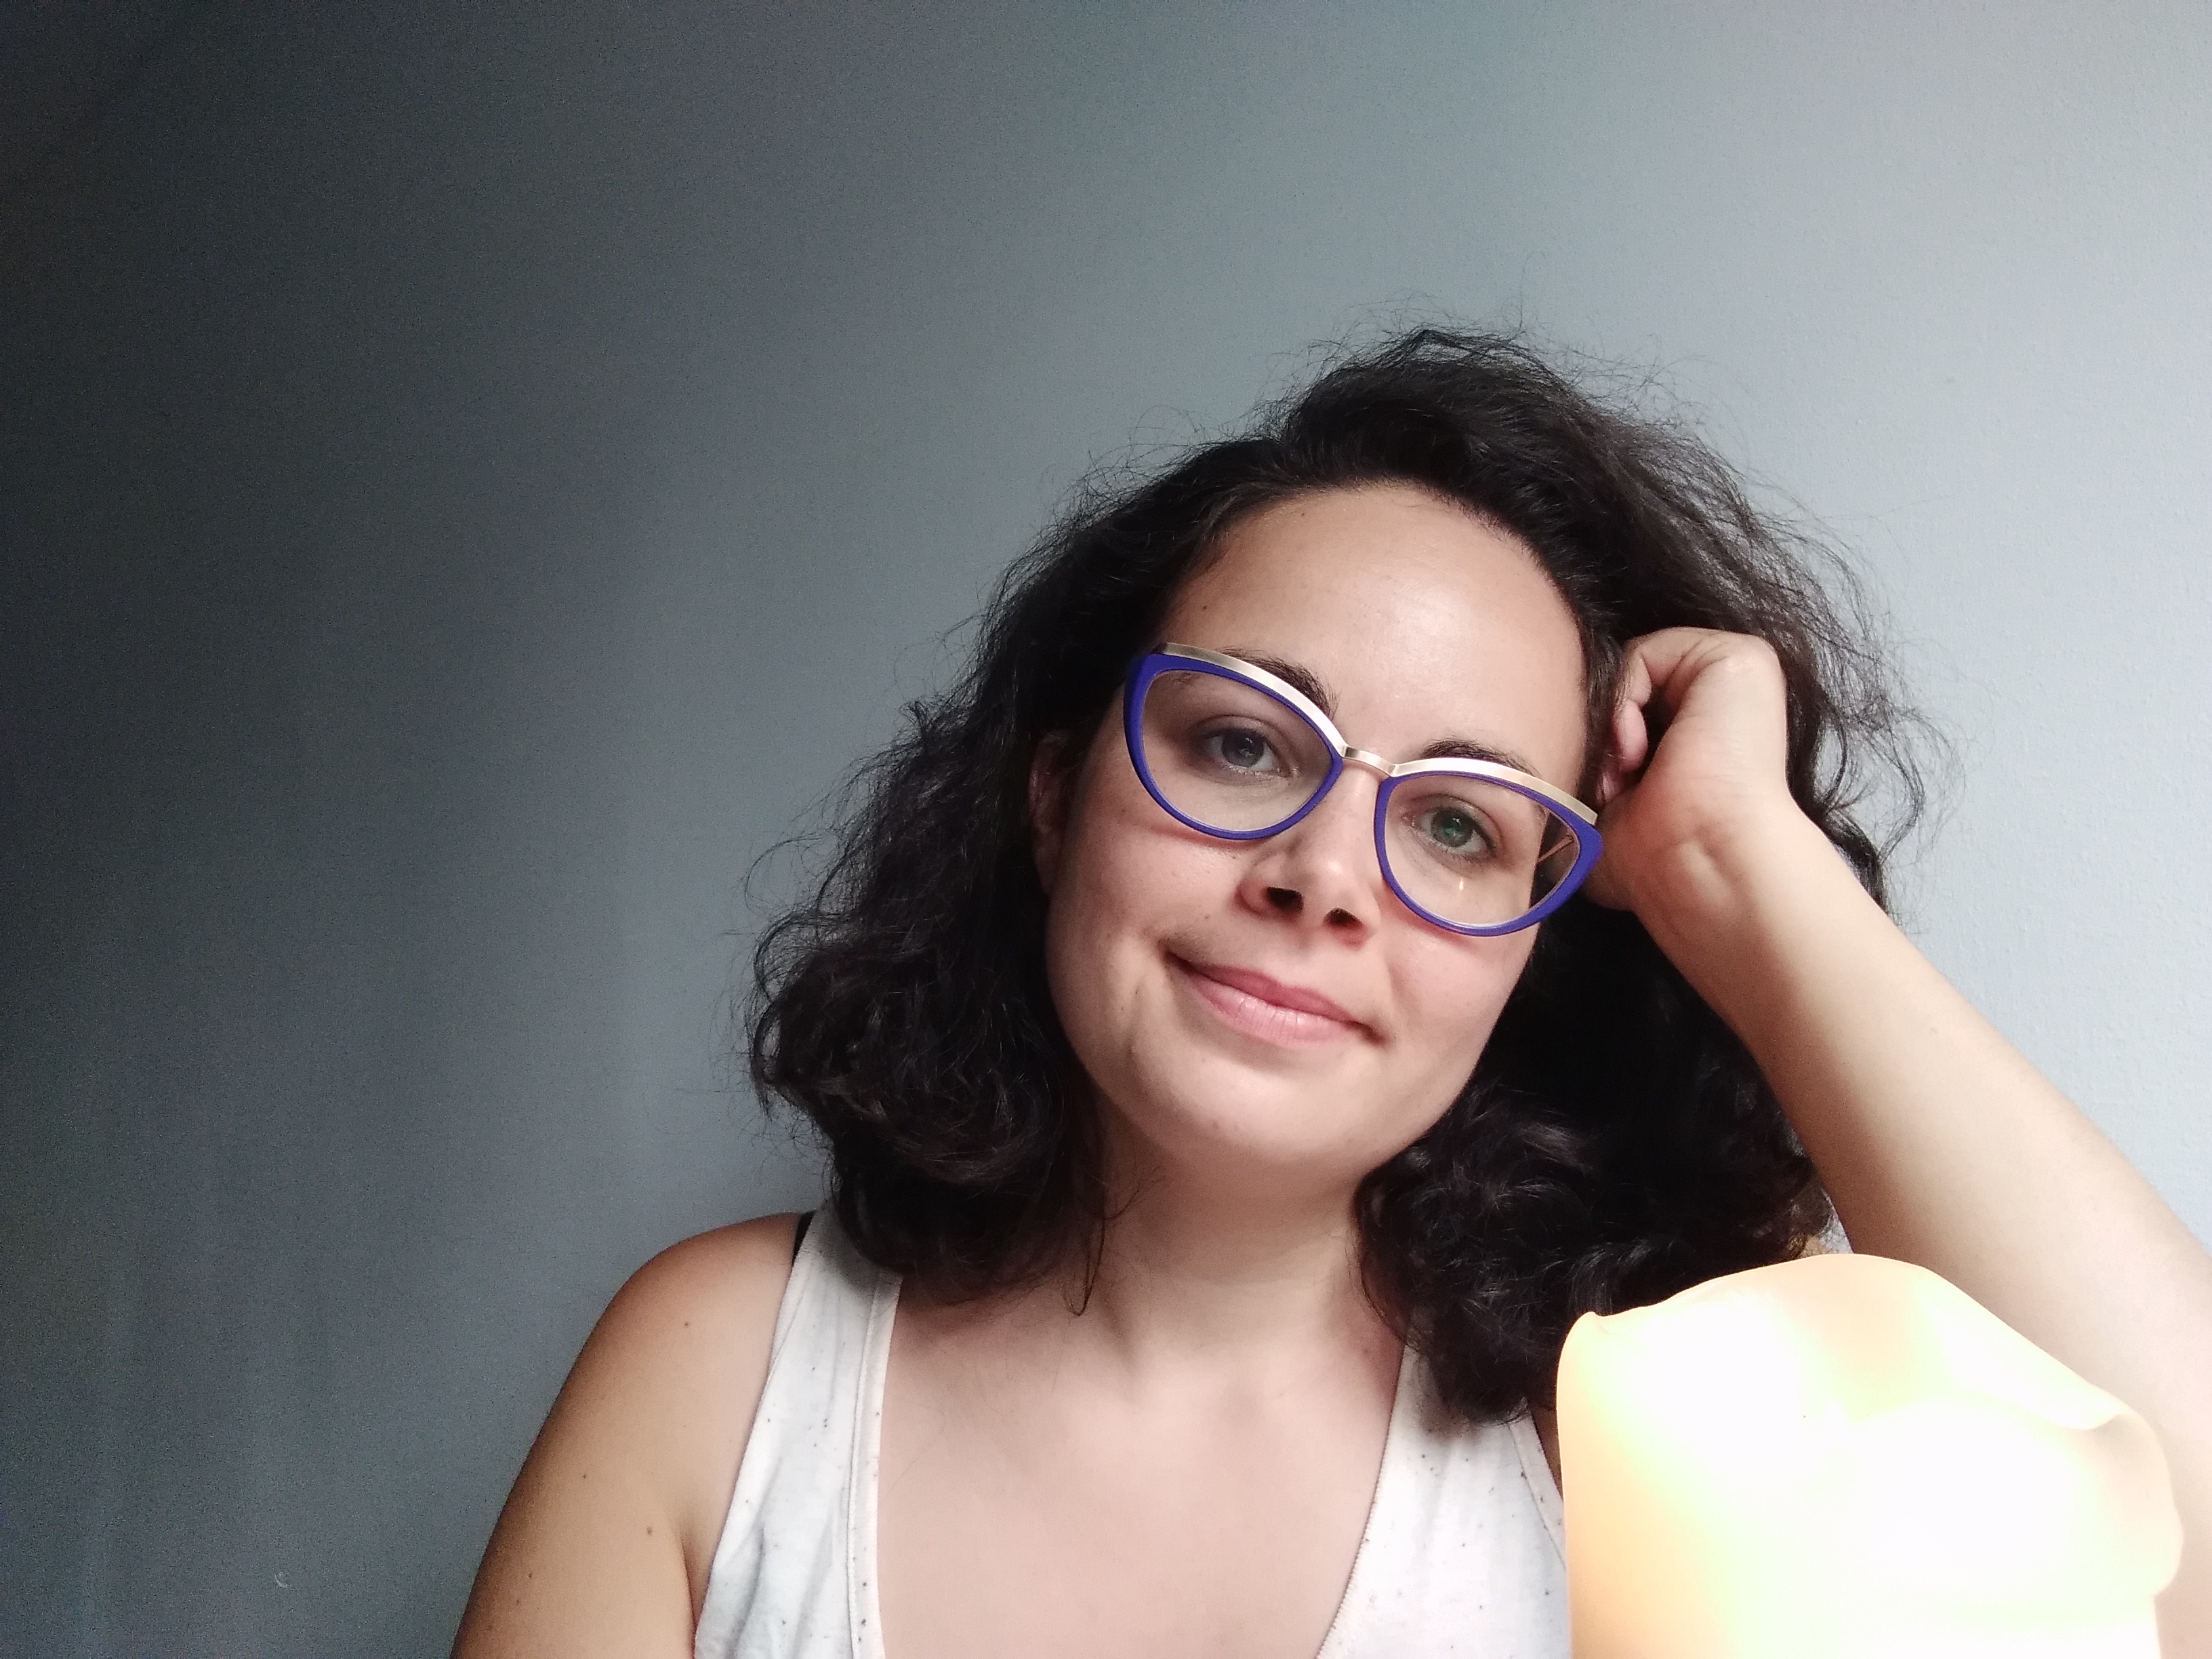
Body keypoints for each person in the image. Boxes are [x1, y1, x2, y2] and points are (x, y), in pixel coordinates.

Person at [452, 330, 2212, 1658]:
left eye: (1458, 822)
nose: (1325, 873)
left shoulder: (1640, 1435)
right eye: (1242, 741)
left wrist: (1738, 872)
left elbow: (2180, 1560)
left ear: (1536, 936)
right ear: (1055, 795)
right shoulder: (723, 1369)